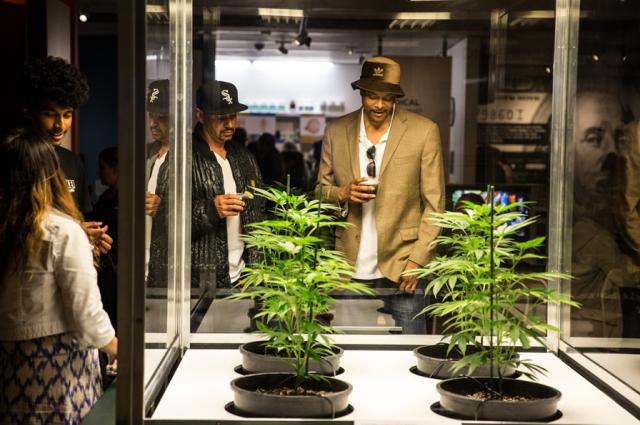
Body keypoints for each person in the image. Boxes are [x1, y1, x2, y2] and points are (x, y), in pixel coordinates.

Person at [316, 56, 445, 334]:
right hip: (347, 266)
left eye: (387, 98)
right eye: (372, 96)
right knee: (351, 348)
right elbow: (319, 192)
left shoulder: (424, 132)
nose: (379, 105)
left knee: (409, 349)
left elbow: (435, 207)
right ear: (361, 93)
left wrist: (418, 261)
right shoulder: (336, 131)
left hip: (404, 263)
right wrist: (343, 193)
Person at [0, 128, 117, 424]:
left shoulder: (8, 227)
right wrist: (117, 349)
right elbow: (86, 312)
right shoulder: (62, 230)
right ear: (49, 175)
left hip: (12, 368)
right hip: (60, 369)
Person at [20, 55, 112, 256]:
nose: (60, 125)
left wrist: (90, 239)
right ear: (28, 111)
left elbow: (79, 218)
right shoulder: (14, 160)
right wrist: (77, 234)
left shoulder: (72, 162)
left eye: (67, 115)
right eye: (50, 114)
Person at [191, 80, 263, 289]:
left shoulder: (244, 157)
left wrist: (256, 270)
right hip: (201, 283)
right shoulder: (183, 157)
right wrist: (209, 210)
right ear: (201, 116)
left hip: (243, 279)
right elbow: (165, 219)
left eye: (233, 116)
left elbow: (259, 212)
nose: (231, 124)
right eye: (222, 118)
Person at [144, 79, 171, 288]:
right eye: (151, 115)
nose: (153, 123)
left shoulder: (190, 157)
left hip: (170, 269)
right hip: (141, 266)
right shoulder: (146, 154)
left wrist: (163, 206)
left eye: (160, 117)